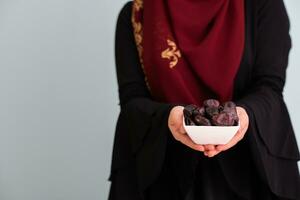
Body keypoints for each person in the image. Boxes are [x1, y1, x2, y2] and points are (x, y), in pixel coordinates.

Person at [108, 0, 300, 199]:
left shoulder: (263, 5)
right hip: (164, 173)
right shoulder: (138, 13)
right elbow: (132, 99)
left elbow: (269, 87)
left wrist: (242, 116)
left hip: (248, 169)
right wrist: (168, 117)